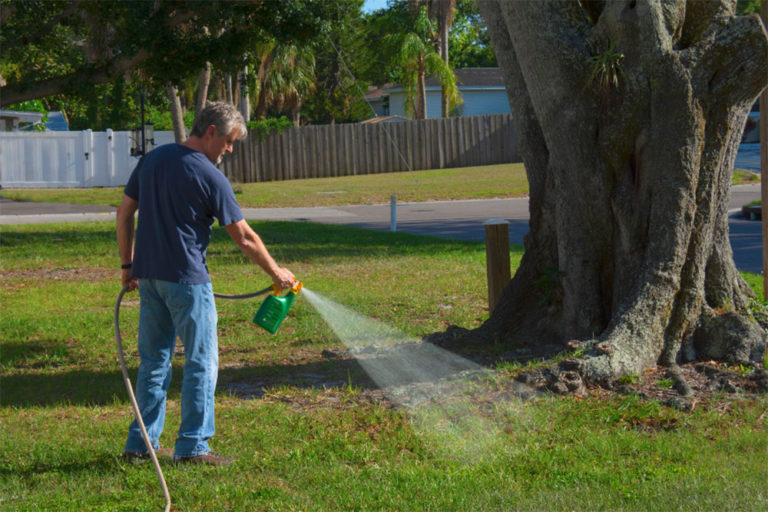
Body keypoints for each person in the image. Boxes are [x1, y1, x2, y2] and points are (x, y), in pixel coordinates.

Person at [116, 101, 295, 466]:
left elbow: (124, 214)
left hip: (149, 278)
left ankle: (140, 446)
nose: (229, 150)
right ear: (211, 131)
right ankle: (193, 446)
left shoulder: (153, 160)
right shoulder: (210, 176)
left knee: (154, 362)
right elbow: (243, 237)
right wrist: (278, 274)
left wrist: (127, 264)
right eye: (229, 141)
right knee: (201, 362)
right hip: (186, 282)